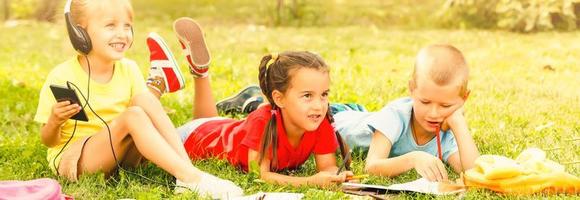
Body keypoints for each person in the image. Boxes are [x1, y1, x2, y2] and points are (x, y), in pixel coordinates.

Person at [33, 1, 242, 198]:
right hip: (77, 160)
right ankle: (189, 176)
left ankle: (187, 172)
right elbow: (48, 141)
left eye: (127, 26)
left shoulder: (129, 69)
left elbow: (146, 111)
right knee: (133, 115)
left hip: (123, 154)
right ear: (80, 33)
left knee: (145, 102)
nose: (122, 34)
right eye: (111, 26)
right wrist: (55, 121)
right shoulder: (62, 75)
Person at [149, 18, 353, 187]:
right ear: (279, 98)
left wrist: (336, 176)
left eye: (324, 94)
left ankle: (201, 73)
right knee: (144, 134)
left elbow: (327, 166)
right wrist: (310, 181)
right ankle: (157, 82)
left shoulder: (319, 120)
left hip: (221, 128)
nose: (319, 105)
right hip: (191, 138)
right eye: (307, 96)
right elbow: (260, 175)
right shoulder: (262, 121)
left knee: (208, 121)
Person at [332, 44, 480, 182]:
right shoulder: (396, 116)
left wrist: (459, 122)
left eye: (445, 105)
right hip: (333, 120)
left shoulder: (447, 131)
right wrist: (413, 159)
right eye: (425, 102)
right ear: (412, 89)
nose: (434, 113)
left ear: (464, 98)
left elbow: (473, 173)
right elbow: (371, 167)